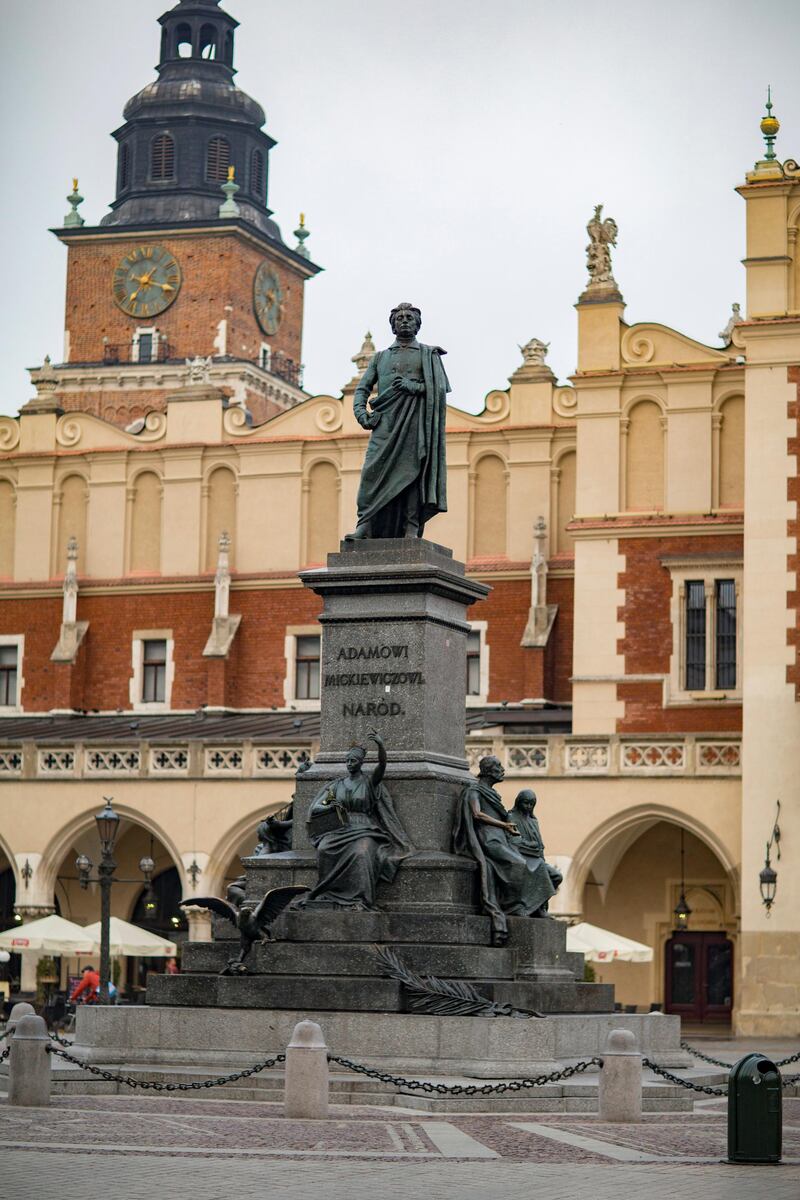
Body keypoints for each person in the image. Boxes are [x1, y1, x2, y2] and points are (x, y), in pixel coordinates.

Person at [347, 303, 449, 539]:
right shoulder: (380, 358)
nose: (404, 321)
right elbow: (362, 389)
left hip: (414, 424)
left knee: (411, 475)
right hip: (384, 425)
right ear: (392, 326)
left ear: (417, 324)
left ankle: (411, 527)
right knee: (371, 473)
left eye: (410, 318)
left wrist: (413, 386)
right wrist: (362, 414)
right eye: (400, 318)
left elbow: (439, 389)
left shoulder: (428, 355)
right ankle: (365, 524)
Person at [297, 727, 414, 909]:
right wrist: (332, 806)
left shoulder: (369, 782)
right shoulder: (337, 785)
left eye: (353, 761)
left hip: (365, 828)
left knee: (361, 853)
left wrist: (381, 746)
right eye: (347, 761)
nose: (349, 764)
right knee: (324, 849)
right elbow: (318, 806)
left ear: (360, 763)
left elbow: (382, 767)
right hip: (340, 828)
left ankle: (359, 899)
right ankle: (330, 894)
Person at [454, 757, 557, 944]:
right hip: (489, 840)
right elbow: (477, 814)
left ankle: (532, 906)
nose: (503, 770)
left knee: (537, 865)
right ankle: (512, 906)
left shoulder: (491, 793)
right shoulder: (473, 791)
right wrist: (504, 825)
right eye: (498, 767)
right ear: (487, 771)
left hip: (501, 839)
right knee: (517, 863)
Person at [509, 789, 563, 913]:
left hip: (537, 859)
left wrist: (539, 852)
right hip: (521, 858)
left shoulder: (534, 821)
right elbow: (514, 841)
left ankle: (539, 905)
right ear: (518, 802)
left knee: (556, 876)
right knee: (537, 874)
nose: (528, 806)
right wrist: (531, 844)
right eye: (525, 803)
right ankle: (538, 909)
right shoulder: (511, 817)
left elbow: (539, 845)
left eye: (531, 804)